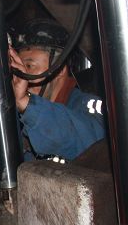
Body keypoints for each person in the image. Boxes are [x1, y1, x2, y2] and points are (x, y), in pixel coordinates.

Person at [8, 18, 105, 161]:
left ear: (59, 69)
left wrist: (26, 103)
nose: (22, 75)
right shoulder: (17, 116)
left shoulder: (90, 105)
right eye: (18, 68)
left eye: (29, 66)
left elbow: (92, 145)